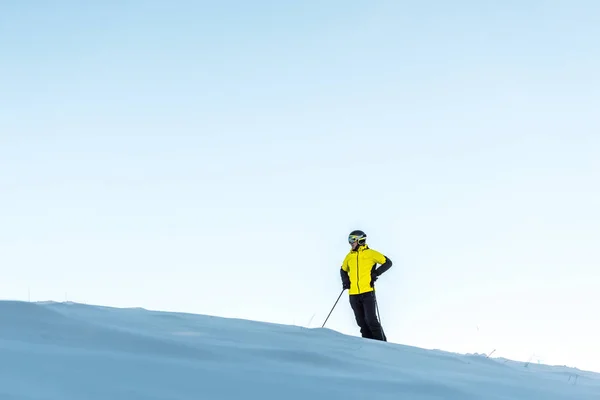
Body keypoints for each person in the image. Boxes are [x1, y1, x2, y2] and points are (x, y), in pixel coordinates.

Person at [340, 229, 392, 341]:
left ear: (359, 240)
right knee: (361, 323)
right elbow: (343, 270)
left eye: (352, 239)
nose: (350, 242)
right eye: (349, 240)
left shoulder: (371, 253)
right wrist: (346, 281)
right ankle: (367, 346)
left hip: (367, 292)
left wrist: (376, 273)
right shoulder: (349, 256)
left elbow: (388, 263)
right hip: (353, 294)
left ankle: (382, 345)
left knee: (371, 320)